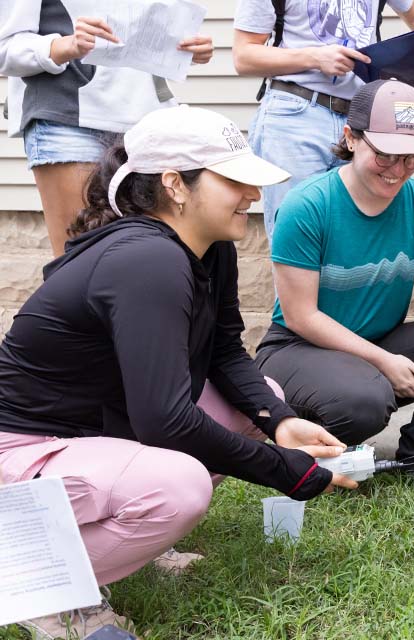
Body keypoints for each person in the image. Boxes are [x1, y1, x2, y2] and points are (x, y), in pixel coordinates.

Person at [0, 106, 357, 638]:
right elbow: (165, 422)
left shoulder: (206, 248)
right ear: (175, 185)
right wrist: (287, 470)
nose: (253, 196)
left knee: (260, 398)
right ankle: (39, 584)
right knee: (179, 486)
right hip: (22, 450)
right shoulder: (148, 261)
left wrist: (280, 421)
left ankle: (125, 542)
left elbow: (225, 353)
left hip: (91, 432)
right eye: (235, 181)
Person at [255, 80, 414, 494]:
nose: (397, 170)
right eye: (384, 155)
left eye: (411, 158)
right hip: (295, 348)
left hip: (374, 340)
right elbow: (301, 315)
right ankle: (305, 438)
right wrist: (385, 362)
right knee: (364, 401)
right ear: (350, 138)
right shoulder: (307, 205)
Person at [232, 0, 414, 242]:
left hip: (360, 118)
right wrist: (315, 57)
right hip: (295, 116)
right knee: (299, 239)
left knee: (357, 240)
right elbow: (243, 57)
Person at [0, 0, 214, 256]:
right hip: (69, 120)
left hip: (146, 127)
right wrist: (64, 45)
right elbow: (6, 47)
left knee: (154, 257)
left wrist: (184, 49)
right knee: (82, 263)